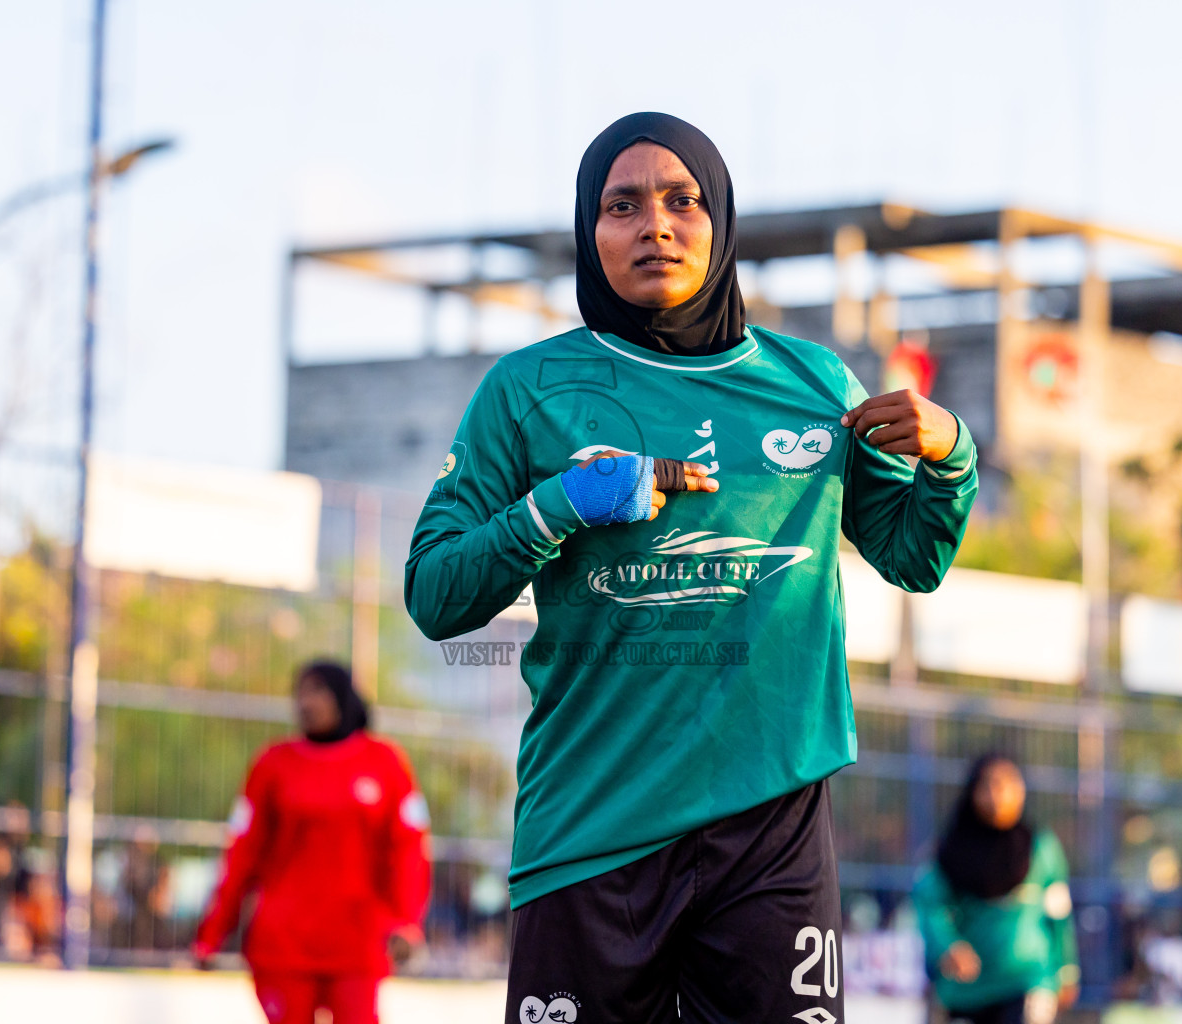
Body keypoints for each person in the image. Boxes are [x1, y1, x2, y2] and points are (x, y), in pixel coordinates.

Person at [405, 111, 978, 1023]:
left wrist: (951, 456)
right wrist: (561, 504)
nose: (655, 226)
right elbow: (434, 594)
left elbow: (911, 559)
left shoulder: (813, 382)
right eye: (622, 205)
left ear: (722, 224)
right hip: (594, 828)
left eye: (683, 201)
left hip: (772, 826)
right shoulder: (528, 389)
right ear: (591, 235)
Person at [193, 660, 431, 1024]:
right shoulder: (273, 763)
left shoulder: (385, 762)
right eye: (300, 693)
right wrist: (212, 933)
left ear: (342, 697)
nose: (306, 702)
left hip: (358, 944)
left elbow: (409, 849)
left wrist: (407, 921)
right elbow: (242, 852)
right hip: (284, 946)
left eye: (317, 691)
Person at [913, 754, 1079, 1024]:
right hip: (966, 990)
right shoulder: (949, 854)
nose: (998, 795)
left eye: (1009, 785)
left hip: (1027, 981)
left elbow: (1059, 916)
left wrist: (1067, 970)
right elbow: (930, 905)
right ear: (972, 792)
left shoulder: (1041, 850)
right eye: (989, 785)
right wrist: (948, 947)